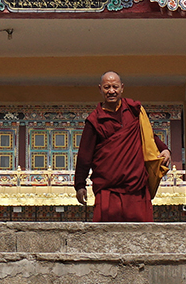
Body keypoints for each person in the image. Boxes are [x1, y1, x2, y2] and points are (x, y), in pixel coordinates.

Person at [73, 71, 171, 222]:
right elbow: (84, 155)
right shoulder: (94, 121)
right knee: (107, 236)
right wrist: (80, 185)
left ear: (122, 88)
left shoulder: (133, 110)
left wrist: (164, 148)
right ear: (100, 89)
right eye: (107, 87)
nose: (111, 91)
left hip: (136, 187)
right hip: (108, 190)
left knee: (141, 236)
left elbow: (148, 136)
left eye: (115, 87)